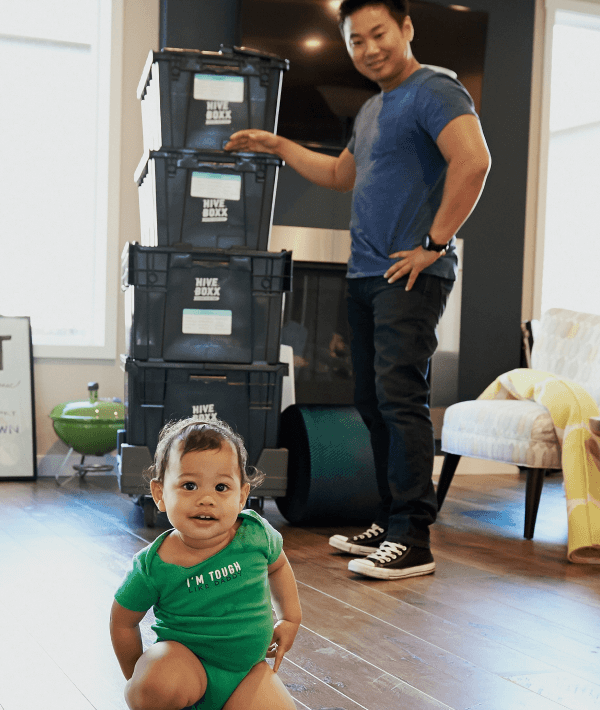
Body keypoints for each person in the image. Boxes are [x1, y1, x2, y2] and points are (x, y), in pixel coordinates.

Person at [225, 0, 490, 580]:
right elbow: (341, 174)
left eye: (379, 34)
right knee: (372, 403)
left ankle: (412, 538)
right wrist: (279, 146)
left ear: (406, 29)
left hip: (410, 274)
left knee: (400, 401)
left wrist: (435, 244)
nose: (370, 49)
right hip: (368, 275)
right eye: (356, 41)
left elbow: (473, 161)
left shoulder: (436, 90)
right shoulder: (371, 110)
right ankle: (389, 517)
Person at [110, 418, 302, 710]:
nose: (207, 499)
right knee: (154, 683)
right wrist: (139, 680)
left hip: (247, 674)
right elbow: (123, 621)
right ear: (160, 494)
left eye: (222, 487)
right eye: (189, 485)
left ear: (242, 496)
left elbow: (277, 566)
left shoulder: (256, 534)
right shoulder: (153, 565)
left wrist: (290, 618)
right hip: (186, 668)